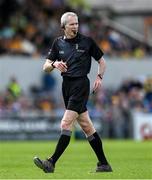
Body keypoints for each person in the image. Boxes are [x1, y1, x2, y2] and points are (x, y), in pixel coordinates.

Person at [33, 12, 112, 173]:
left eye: (77, 23)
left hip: (81, 85)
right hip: (66, 85)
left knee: (65, 123)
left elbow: (102, 61)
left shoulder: (87, 42)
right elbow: (45, 67)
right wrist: (54, 64)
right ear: (63, 27)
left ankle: (51, 162)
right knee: (86, 126)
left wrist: (99, 77)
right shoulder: (58, 43)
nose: (76, 26)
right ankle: (104, 164)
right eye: (72, 24)